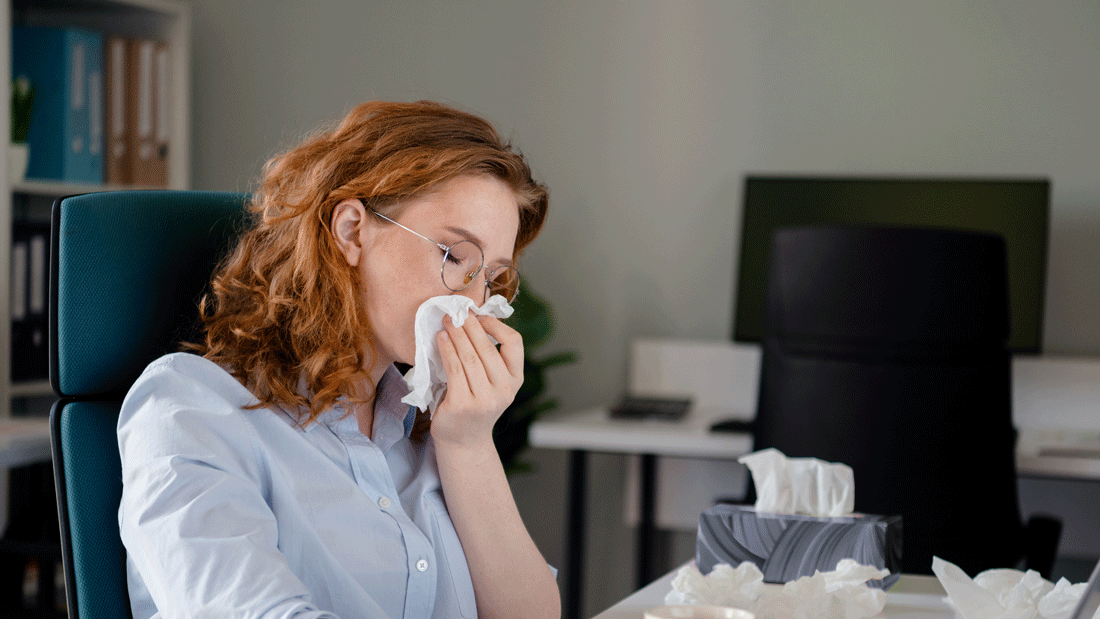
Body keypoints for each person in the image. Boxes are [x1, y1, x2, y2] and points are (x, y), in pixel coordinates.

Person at [117, 100, 560, 619]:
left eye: (492, 277)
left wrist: (467, 443)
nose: (473, 299)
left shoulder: (432, 427)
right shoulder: (190, 408)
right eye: (453, 256)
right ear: (351, 231)